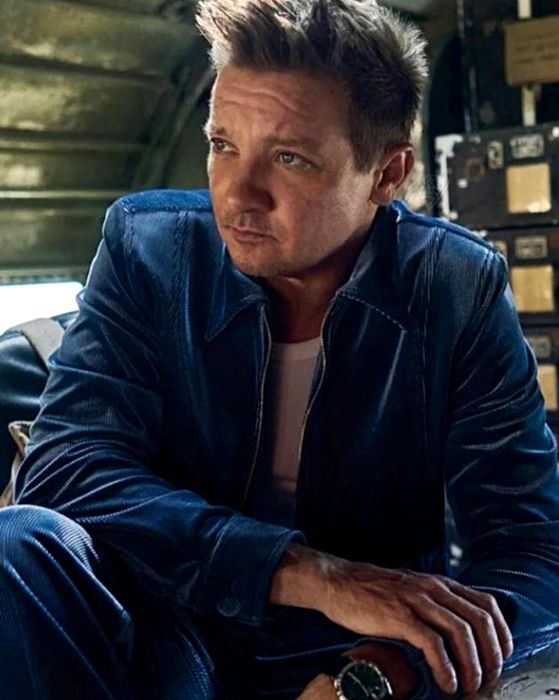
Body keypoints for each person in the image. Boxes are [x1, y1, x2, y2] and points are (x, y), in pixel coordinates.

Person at [3, 0, 559, 698]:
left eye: (289, 158)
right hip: (166, 623)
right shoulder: (149, 249)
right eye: (222, 145)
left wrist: (381, 673)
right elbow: (68, 470)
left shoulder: (454, 286)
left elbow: (532, 549)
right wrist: (307, 573)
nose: (238, 195)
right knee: (17, 545)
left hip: (347, 644)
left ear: (387, 175)